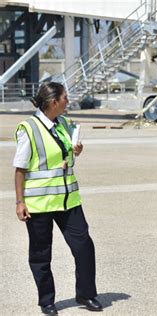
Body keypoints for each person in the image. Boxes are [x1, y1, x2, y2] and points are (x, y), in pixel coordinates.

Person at [13, 82, 102, 315]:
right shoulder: (29, 128)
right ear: (54, 102)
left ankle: (86, 293)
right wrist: (19, 202)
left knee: (84, 247)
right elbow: (20, 169)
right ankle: (47, 301)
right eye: (65, 98)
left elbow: (62, 160)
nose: (68, 102)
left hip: (68, 200)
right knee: (41, 255)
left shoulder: (63, 123)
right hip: (39, 204)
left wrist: (75, 153)